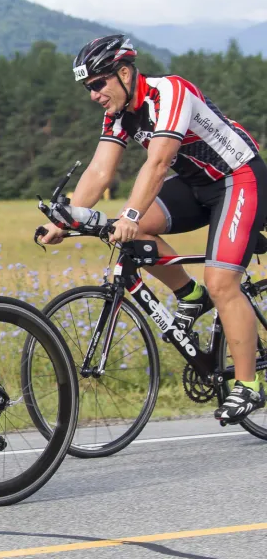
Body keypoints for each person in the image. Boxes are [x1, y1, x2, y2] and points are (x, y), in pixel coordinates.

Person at [39, 34, 267, 422]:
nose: (93, 94)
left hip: (238, 179)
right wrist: (66, 220)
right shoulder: (119, 114)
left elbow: (159, 163)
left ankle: (248, 385)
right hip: (197, 186)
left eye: (98, 83)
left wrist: (129, 214)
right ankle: (188, 293)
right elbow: (99, 170)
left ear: (124, 73)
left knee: (222, 282)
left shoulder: (170, 93)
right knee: (134, 232)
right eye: (88, 87)